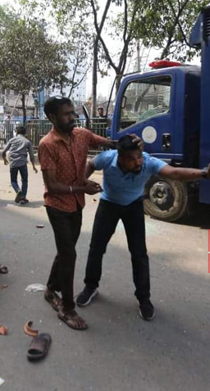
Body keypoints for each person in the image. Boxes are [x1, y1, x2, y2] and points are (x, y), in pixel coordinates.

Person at [76, 136, 210, 320]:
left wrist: (205, 173)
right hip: (109, 205)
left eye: (139, 157)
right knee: (96, 248)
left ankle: (144, 298)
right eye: (132, 159)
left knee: (139, 254)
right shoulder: (107, 158)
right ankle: (91, 287)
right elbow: (90, 164)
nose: (138, 162)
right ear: (120, 158)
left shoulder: (148, 162)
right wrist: (83, 181)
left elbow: (175, 173)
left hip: (134, 206)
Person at [38, 96, 136, 331]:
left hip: (76, 204)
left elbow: (109, 143)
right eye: (66, 114)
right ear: (52, 117)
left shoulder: (81, 134)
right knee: (69, 254)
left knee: (66, 250)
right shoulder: (47, 144)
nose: (72, 117)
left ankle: (51, 290)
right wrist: (83, 187)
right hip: (57, 206)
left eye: (73, 113)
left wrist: (128, 143)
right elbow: (51, 186)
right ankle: (67, 307)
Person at [2, 126, 37, 204]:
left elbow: (3, 151)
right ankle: (23, 197)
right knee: (24, 181)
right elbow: (31, 155)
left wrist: (5, 160)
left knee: (13, 181)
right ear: (25, 133)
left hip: (13, 163)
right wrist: (34, 166)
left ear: (17, 132)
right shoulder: (27, 142)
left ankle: (18, 190)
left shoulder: (12, 140)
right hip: (23, 163)